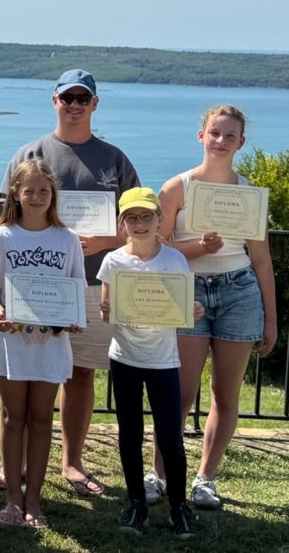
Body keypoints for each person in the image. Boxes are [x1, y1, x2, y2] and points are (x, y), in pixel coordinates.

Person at [0, 69, 139, 496]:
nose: (74, 105)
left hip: (93, 283)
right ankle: (15, 464)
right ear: (54, 100)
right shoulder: (30, 152)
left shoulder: (114, 159)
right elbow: (5, 215)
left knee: (79, 376)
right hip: (29, 289)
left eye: (83, 98)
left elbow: (140, 221)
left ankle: (72, 462)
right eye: (67, 97)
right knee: (24, 376)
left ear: (95, 104)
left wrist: (106, 240)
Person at [152, 105, 278, 509]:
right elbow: (156, 250)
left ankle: (205, 478)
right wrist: (198, 247)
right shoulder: (177, 188)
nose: (221, 141)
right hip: (189, 294)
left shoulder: (248, 192)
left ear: (241, 142)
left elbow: (261, 259)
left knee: (226, 394)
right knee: (180, 394)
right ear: (200, 136)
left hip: (239, 292)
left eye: (230, 135)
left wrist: (270, 319)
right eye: (215, 133)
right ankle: (159, 474)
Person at [0, 159, 85, 529]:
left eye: (44, 190)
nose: (37, 197)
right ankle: (11, 498)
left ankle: (34, 501)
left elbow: (76, 288)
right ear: (16, 194)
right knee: (12, 417)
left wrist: (73, 320)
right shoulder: (2, 235)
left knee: (41, 419)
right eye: (29, 190)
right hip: (12, 340)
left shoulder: (67, 239)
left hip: (52, 342)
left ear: (53, 194)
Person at [97, 187, 201, 539]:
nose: (139, 223)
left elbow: (184, 307)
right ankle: (136, 503)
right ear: (122, 223)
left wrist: (193, 310)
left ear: (160, 220)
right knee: (129, 434)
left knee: (170, 437)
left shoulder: (174, 260)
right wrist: (107, 309)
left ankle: (178, 506)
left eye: (146, 216)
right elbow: (107, 308)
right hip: (124, 358)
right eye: (131, 217)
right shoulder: (113, 261)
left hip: (163, 361)